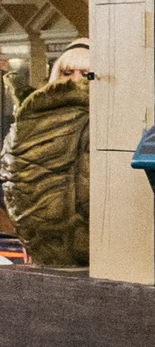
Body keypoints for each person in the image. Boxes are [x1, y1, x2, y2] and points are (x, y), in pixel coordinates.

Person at [7, 44, 92, 268]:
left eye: (85, 73)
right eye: (67, 72)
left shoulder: (106, 123)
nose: (75, 79)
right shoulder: (28, 120)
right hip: (42, 242)